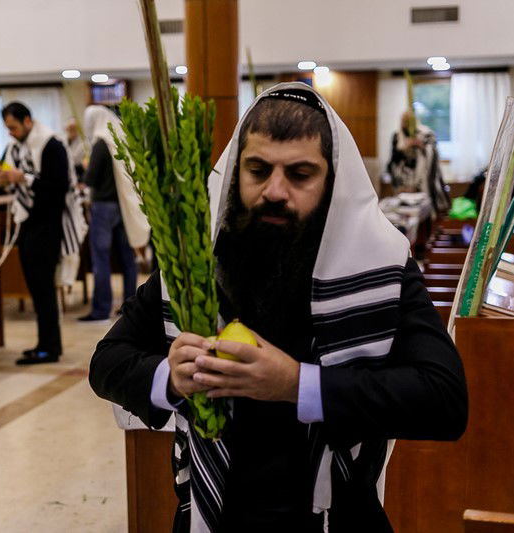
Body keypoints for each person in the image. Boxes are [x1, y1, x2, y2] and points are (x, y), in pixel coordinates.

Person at [89, 83, 468, 532]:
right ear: (236, 173)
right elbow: (107, 363)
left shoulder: (380, 266)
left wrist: (297, 384)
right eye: (258, 169)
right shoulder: (198, 264)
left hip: (337, 517)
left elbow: (444, 401)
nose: (275, 190)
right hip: (215, 517)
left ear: (330, 183)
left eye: (300, 174)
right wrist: (169, 378)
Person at [0, 102, 70, 365]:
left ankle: (50, 347)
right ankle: (43, 343)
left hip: (48, 223)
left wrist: (24, 178)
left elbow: (58, 189)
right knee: (35, 288)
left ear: (27, 122)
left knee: (44, 289)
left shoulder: (51, 145)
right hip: (26, 223)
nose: (10, 133)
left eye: (13, 127)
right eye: (7, 128)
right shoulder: (13, 147)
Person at [79, 105, 150, 322]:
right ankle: (129, 307)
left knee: (100, 259)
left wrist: (85, 166)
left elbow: (90, 179)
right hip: (122, 207)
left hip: (103, 207)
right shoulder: (119, 139)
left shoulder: (101, 143)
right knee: (127, 257)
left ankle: (101, 309)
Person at [387, 110, 450, 214]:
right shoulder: (397, 136)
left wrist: (421, 146)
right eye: (403, 121)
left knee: (424, 210)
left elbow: (432, 157)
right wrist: (404, 148)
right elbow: (393, 161)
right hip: (403, 182)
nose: (405, 124)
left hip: (422, 181)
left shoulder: (425, 134)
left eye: (408, 121)